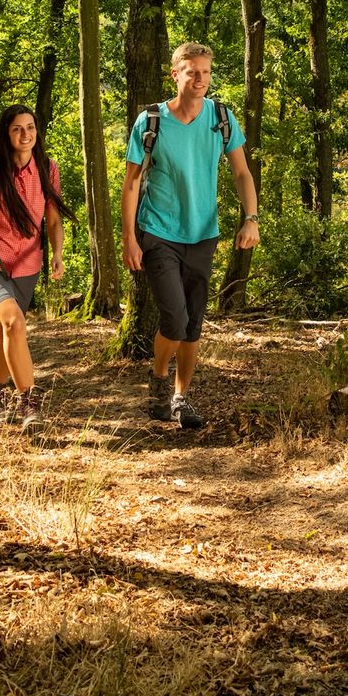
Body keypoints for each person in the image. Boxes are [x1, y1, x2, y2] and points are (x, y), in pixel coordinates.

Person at [121, 42, 259, 429]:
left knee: (193, 323)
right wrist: (129, 238)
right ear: (175, 74)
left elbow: (242, 173)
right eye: (192, 71)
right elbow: (131, 183)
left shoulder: (221, 117)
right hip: (158, 231)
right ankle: (158, 381)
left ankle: (180, 399)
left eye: (206, 72)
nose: (200, 79)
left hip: (203, 234)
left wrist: (251, 218)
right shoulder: (151, 121)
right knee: (175, 317)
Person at [0, 104, 71, 430]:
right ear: (6, 134)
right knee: (13, 322)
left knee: (7, 329)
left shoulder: (47, 168)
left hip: (27, 264)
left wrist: (58, 252)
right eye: (17, 129)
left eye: (30, 127)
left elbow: (53, 218)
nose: (25, 135)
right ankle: (28, 403)